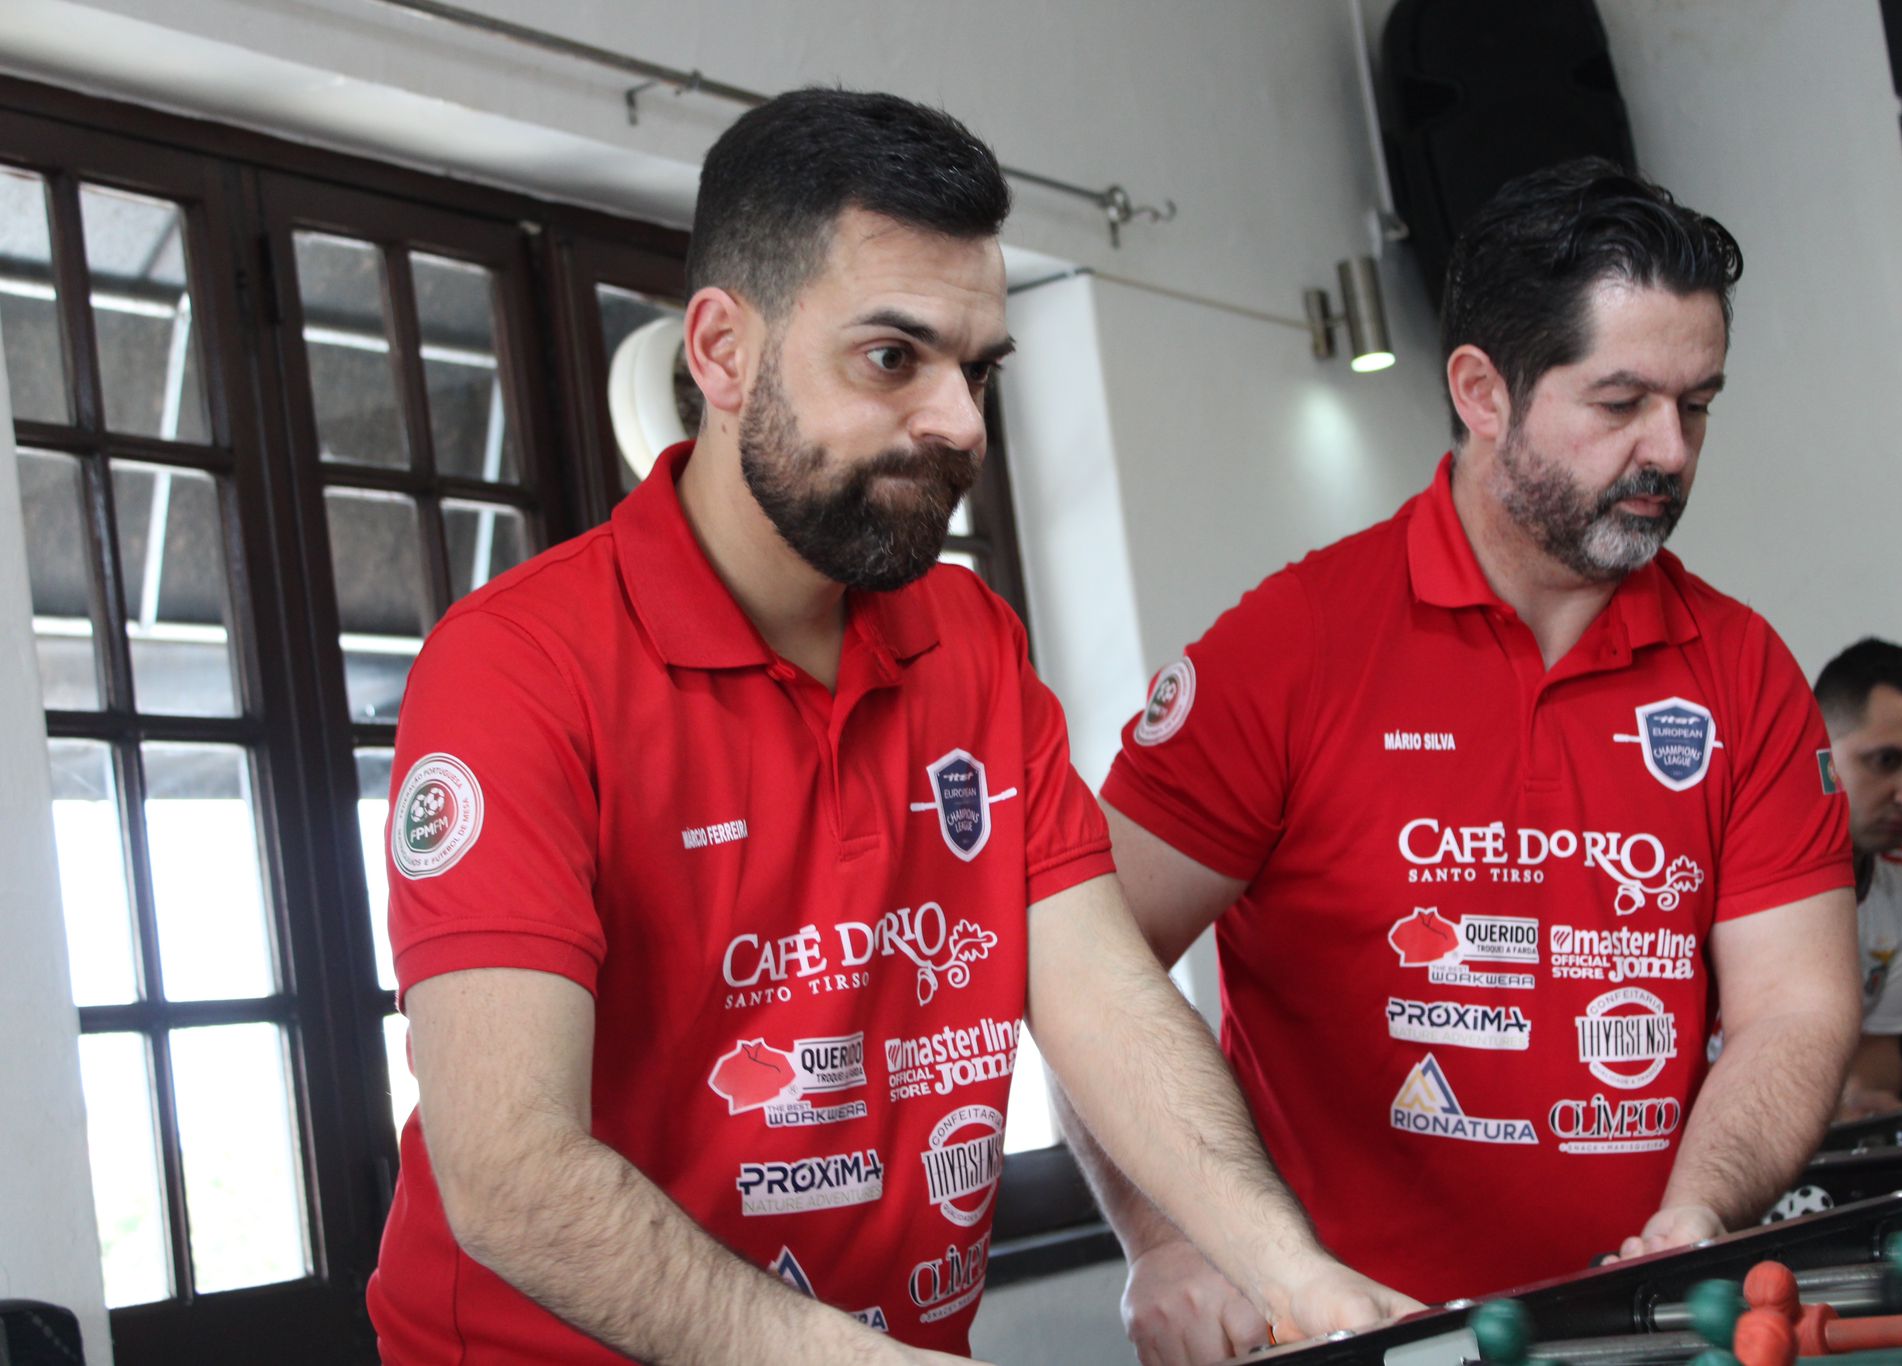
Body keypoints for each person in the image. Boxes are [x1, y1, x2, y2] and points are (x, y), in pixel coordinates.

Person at [364, 88, 1416, 1365]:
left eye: (978, 369)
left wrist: (1291, 1271)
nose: (961, 422)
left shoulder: (972, 639)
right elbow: (510, 1174)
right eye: (890, 358)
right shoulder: (518, 667)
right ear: (721, 352)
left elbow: (1098, 992)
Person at [1065, 157, 1863, 1365]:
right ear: (1482, 392)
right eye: (1619, 403)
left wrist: (1695, 1213)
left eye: (1694, 404)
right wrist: (1167, 1239)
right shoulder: (1291, 647)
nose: (1668, 450)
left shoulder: (1741, 671)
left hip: (1639, 1332)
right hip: (1343, 1337)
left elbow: (1794, 1004)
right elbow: (1081, 964)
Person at [1814, 638, 1902, 1120]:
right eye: (1886, 761)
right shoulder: (1715, 868)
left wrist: (1854, 1098)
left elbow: (1876, 1049)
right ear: (1816, 750)